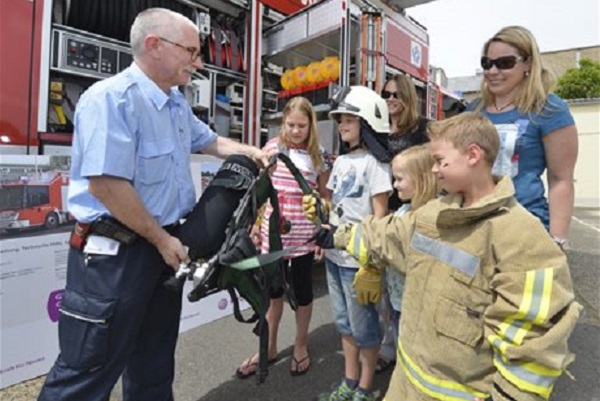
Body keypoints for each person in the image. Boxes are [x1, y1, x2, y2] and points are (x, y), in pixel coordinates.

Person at [38, 8, 269, 401]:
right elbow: (108, 186)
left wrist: (254, 153)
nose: (198, 63)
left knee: (153, 367)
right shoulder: (112, 100)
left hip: (164, 250)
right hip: (116, 259)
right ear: (154, 46)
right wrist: (163, 241)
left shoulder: (175, 103)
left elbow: (211, 141)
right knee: (87, 372)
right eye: (192, 52)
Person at [312, 112, 582, 401]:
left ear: (473, 155)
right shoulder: (432, 215)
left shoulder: (523, 239)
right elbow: (388, 235)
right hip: (404, 388)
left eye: (440, 161)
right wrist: (338, 236)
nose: (435, 171)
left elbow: (532, 346)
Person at [235, 96, 331, 379]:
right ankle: (270, 346)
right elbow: (260, 189)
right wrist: (254, 222)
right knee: (271, 292)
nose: (296, 130)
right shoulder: (272, 148)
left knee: (302, 291)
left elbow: (325, 196)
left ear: (311, 125)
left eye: (302, 125)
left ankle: (300, 345)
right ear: (283, 123)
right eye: (290, 124)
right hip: (271, 233)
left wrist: (323, 231)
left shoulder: (319, 155)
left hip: (304, 235)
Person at [469, 25, 578, 250]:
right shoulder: (472, 110)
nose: (492, 71)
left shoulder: (549, 109)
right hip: (472, 227)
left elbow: (561, 180)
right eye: (487, 63)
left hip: (525, 229)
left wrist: (557, 241)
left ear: (527, 63)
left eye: (505, 63)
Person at [316, 86, 392, 401]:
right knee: (345, 326)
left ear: (368, 123)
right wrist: (319, 215)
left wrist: (372, 262)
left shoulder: (376, 165)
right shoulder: (343, 162)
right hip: (336, 257)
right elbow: (331, 204)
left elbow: (380, 216)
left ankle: (364, 386)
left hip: (357, 263)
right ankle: (349, 380)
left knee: (366, 330)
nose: (342, 126)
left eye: (349, 119)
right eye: (340, 120)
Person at [377, 74, 430, 373]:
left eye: (396, 94)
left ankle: (412, 353)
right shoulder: (376, 128)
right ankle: (389, 347)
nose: (390, 99)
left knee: (409, 288)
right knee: (386, 288)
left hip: (412, 216)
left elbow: (430, 169)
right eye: (385, 94)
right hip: (384, 213)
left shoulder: (422, 129)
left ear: (409, 96)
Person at [375, 145, 440, 374]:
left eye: (400, 179)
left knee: (417, 357)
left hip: (417, 304)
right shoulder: (402, 212)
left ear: (421, 179)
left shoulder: (431, 218)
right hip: (396, 299)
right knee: (401, 344)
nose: (394, 185)